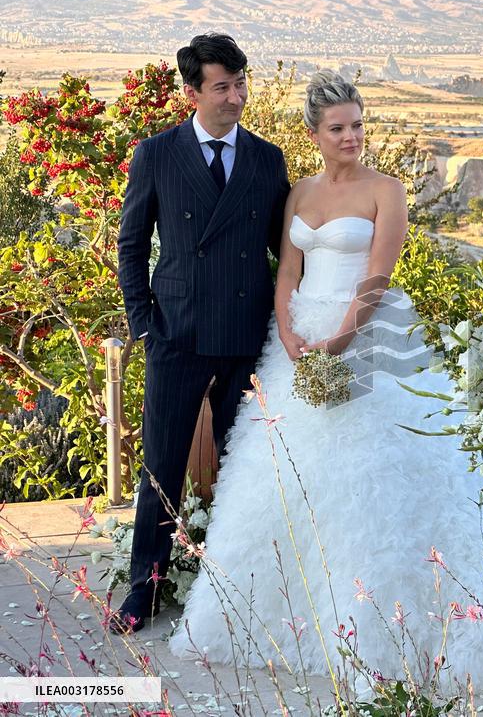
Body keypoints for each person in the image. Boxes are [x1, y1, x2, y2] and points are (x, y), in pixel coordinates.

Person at [168, 70, 483, 692]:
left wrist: (341, 341)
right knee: (283, 478)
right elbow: (287, 271)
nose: (352, 137)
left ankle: (375, 627)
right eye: (338, 128)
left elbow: (378, 275)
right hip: (296, 341)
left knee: (369, 479)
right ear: (314, 134)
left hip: (369, 338)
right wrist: (291, 335)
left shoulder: (387, 192)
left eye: (357, 125)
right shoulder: (298, 193)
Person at [116, 33, 289, 634]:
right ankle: (146, 589)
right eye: (223, 87)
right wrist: (145, 325)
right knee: (160, 466)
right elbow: (132, 244)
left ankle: (235, 584)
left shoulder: (268, 159)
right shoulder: (157, 154)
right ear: (192, 92)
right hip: (177, 335)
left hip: (245, 333)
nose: (237, 97)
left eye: (242, 84)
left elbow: (282, 251)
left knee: (244, 466)